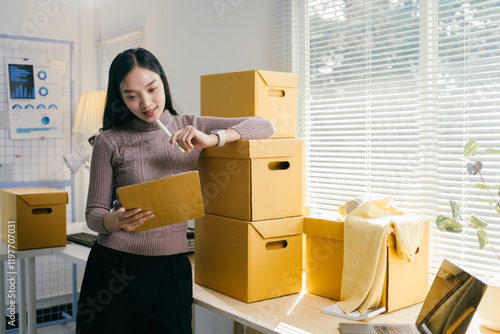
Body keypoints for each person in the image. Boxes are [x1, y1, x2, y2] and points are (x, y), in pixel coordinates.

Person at [76, 47, 275, 334]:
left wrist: (212, 139)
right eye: (132, 96)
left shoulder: (190, 127)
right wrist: (115, 220)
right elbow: (93, 215)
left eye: (152, 89)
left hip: (172, 268)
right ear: (120, 99)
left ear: (162, 82)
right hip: (115, 268)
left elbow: (265, 126)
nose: (146, 103)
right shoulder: (110, 141)